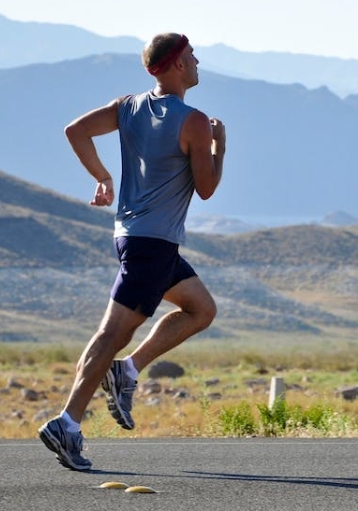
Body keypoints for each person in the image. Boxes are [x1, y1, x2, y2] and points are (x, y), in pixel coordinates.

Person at [38, 32, 226, 471]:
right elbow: (207, 188)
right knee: (111, 333)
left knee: (201, 309)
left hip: (135, 237)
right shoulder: (194, 121)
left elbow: (76, 130)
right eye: (193, 57)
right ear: (178, 64)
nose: (198, 63)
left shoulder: (128, 106)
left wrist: (102, 177)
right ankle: (67, 422)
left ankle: (128, 370)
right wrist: (220, 146)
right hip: (152, 244)